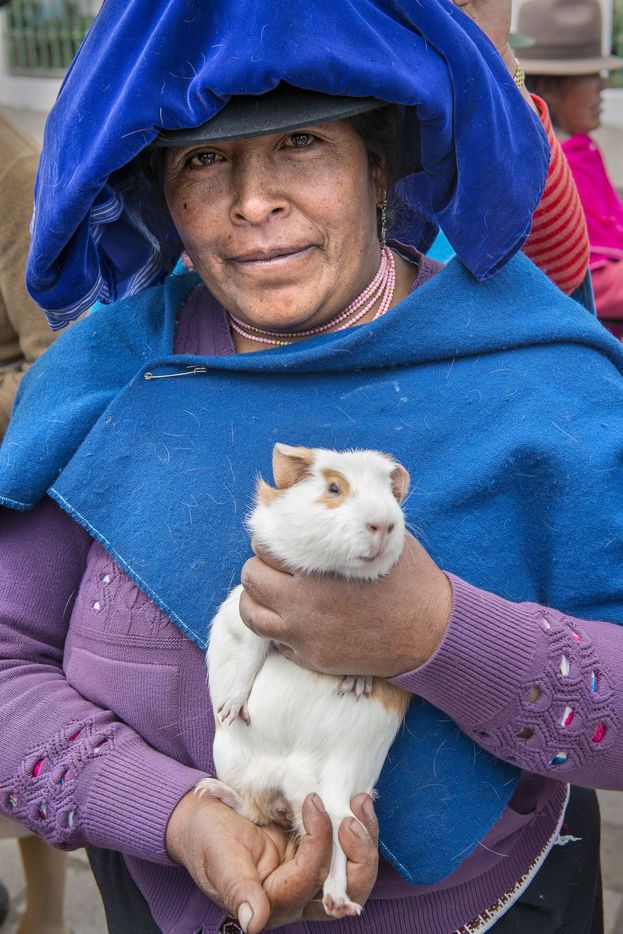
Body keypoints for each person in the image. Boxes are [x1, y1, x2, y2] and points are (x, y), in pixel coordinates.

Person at [0, 1, 621, 933]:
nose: (253, 202)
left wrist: (437, 635)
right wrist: (177, 814)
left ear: (380, 163)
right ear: (159, 189)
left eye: (300, 142)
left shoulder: (540, 381)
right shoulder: (101, 377)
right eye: (203, 160)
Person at [0, 98, 72, 934]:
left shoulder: (14, 173)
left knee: (20, 703)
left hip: (9, 474)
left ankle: (45, 917)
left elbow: (53, 365)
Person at [519, 0, 623, 336]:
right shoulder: (544, 169)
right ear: (550, 86)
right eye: (591, 75)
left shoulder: (584, 149)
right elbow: (581, 280)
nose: (603, 87)